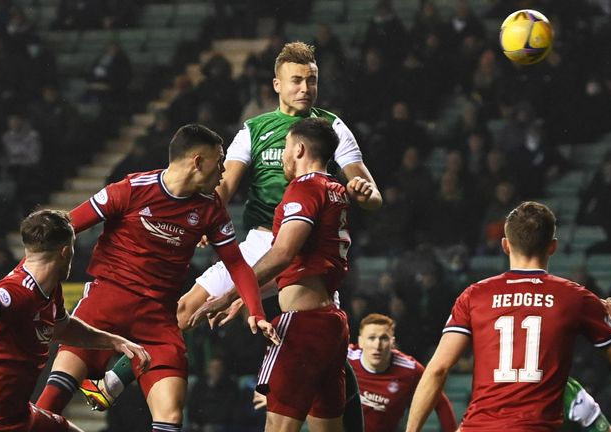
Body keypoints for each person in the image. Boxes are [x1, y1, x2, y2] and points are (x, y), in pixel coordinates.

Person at [82, 40, 381, 432]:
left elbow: (371, 193)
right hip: (263, 241)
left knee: (324, 343)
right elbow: (222, 186)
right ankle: (114, 381)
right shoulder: (254, 130)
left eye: (312, 80)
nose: (305, 88)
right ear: (276, 84)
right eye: (296, 80)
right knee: (186, 308)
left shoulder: (330, 127)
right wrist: (205, 218)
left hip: (305, 245)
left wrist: (365, 193)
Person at [35, 125, 277, 432]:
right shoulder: (131, 189)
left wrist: (255, 311)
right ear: (197, 161)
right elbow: (64, 227)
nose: (223, 171)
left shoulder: (211, 209)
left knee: (171, 418)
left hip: (158, 319)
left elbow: (237, 265)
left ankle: (109, 384)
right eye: (220, 162)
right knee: (51, 401)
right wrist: (29, 283)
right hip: (104, 307)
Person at [193, 118, 373, 431]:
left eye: (287, 148)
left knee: (277, 426)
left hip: (302, 326)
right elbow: (303, 262)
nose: (285, 156)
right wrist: (248, 299)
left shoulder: (304, 188)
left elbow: (282, 254)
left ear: (300, 148)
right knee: (327, 426)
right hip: (332, 322)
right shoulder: (336, 191)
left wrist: (228, 295)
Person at [405, 201, 611, 431]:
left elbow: (437, 369)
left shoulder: (475, 296)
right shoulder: (576, 298)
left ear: (505, 245)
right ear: (553, 246)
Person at [0, 209, 151, 432]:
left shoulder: (50, 289)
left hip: (20, 417)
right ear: (65, 251)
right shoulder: (18, 291)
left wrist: (114, 342)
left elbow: (63, 329)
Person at [349, 313, 457, 432]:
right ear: (361, 341)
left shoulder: (410, 369)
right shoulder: (345, 358)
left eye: (384, 338)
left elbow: (440, 402)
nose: (377, 345)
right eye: (371, 338)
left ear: (392, 343)